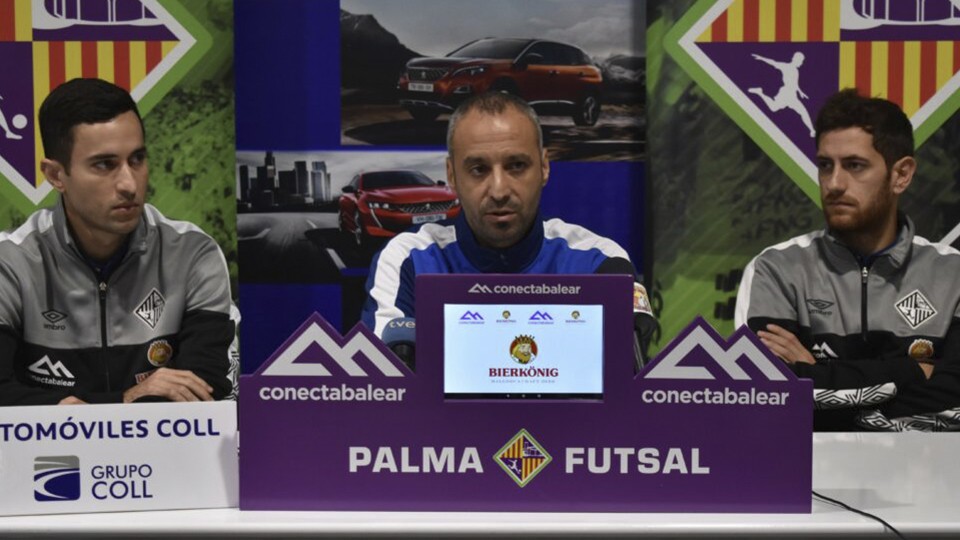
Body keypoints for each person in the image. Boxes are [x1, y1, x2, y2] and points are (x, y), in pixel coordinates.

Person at [362, 91, 652, 363]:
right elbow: (387, 391)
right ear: (451, 175)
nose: (499, 190)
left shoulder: (600, 261)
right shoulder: (408, 259)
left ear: (544, 167)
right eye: (478, 169)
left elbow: (625, 396)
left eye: (516, 166)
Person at [0, 78, 236, 405]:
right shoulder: (11, 263)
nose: (129, 183)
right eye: (104, 164)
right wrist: (124, 401)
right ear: (56, 175)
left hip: (166, 454)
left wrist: (79, 410)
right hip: (45, 458)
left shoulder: (192, 254)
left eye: (137, 159)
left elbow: (203, 389)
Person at [735, 88, 960, 430]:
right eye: (826, 165)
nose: (834, 183)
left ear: (902, 175)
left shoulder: (953, 273)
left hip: (929, 477)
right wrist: (913, 370)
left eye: (855, 166)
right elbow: (766, 394)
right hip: (807, 475)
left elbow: (954, 391)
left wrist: (814, 376)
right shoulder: (776, 269)